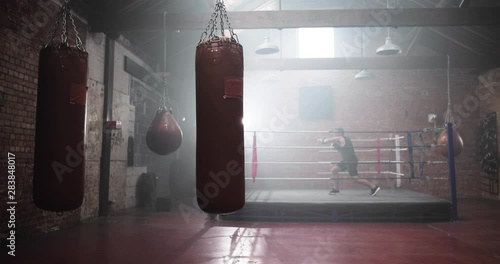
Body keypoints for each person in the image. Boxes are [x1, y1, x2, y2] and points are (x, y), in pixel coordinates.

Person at [318, 127, 380, 196]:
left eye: (336, 132)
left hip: (351, 160)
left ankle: (373, 187)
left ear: (340, 133)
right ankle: (336, 189)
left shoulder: (340, 138)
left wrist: (322, 140)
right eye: (334, 132)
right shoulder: (340, 140)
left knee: (355, 179)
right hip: (345, 160)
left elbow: (326, 141)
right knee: (334, 170)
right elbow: (341, 148)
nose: (334, 133)